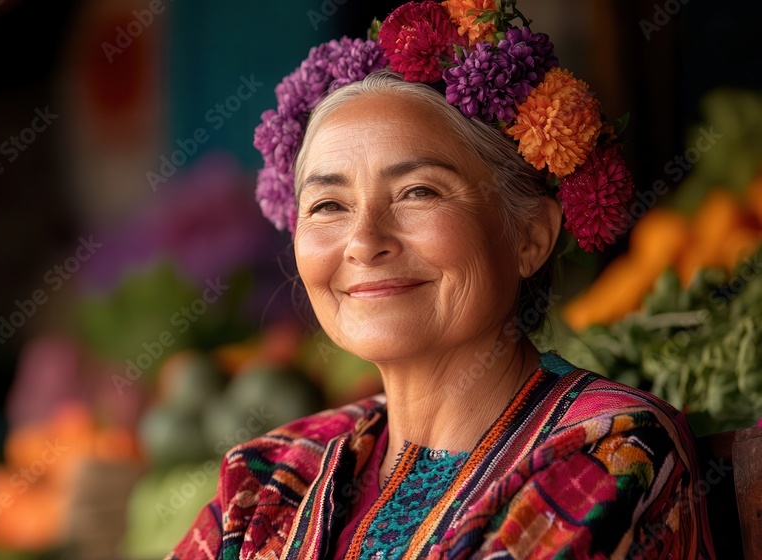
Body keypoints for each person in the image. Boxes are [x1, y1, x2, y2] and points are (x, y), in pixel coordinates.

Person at [167, 2, 715, 558]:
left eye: (417, 193)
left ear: (529, 236)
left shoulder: (610, 450)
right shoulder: (270, 479)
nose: (363, 241)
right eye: (329, 205)